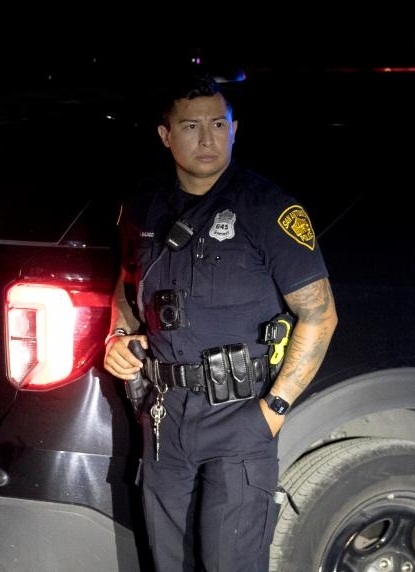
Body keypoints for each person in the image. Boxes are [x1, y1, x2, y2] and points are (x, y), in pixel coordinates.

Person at [103, 71, 338, 571]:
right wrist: (118, 335)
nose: (207, 138)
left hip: (240, 415)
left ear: (235, 128)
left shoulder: (269, 209)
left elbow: (319, 314)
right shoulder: (141, 207)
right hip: (165, 417)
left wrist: (273, 408)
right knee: (170, 562)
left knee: (229, 562)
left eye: (218, 124)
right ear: (166, 135)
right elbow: (124, 289)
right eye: (190, 126)